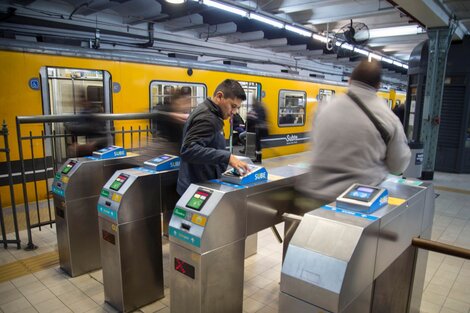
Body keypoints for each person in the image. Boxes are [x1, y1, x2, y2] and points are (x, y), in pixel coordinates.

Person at [296, 59, 411, 208]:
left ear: (350, 80)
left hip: (315, 196)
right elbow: (398, 165)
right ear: (378, 86)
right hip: (358, 202)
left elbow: (315, 145)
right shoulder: (389, 117)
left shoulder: (324, 107)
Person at [177, 79, 251, 196]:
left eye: (237, 108)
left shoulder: (208, 111)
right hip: (196, 186)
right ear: (219, 96)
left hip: (195, 182)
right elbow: (188, 149)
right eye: (233, 106)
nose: (235, 112)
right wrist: (228, 157)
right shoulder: (207, 117)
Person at [153, 88, 191, 156]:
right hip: (168, 149)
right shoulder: (166, 109)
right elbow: (156, 112)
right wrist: (171, 115)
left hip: (179, 149)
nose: (187, 105)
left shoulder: (185, 115)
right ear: (175, 102)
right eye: (184, 102)